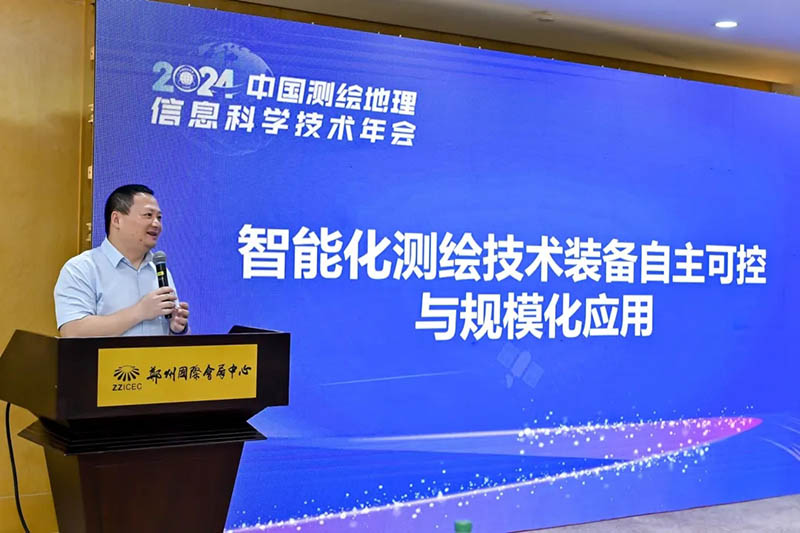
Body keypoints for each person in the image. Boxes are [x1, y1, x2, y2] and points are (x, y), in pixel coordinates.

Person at [54, 184, 189, 337]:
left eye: (159, 217)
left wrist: (177, 329)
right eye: (148, 215)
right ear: (116, 220)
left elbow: (173, 341)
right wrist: (139, 311)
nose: (156, 224)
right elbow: (73, 332)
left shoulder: (160, 271)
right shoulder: (81, 268)